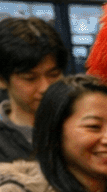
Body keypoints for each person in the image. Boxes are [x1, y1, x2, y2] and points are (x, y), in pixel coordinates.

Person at [0, 16, 66, 163]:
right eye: (30, 78)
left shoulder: (79, 123)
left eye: (53, 75)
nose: (46, 87)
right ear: (2, 80)